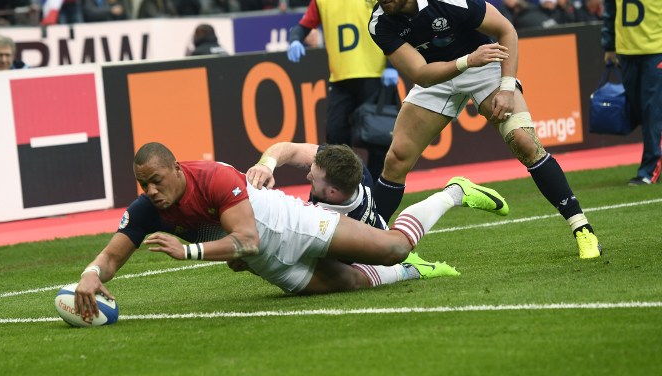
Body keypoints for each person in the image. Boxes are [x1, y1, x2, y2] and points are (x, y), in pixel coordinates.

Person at [72, 142, 509, 321]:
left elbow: (247, 239)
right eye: (142, 185)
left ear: (176, 168)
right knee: (353, 281)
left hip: (292, 225)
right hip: (270, 265)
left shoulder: (214, 178)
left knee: (393, 247)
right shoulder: (149, 208)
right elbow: (111, 256)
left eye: (156, 181)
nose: (150, 191)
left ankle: (454, 192)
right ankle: (419, 271)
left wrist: (189, 253)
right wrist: (90, 275)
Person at [365, 0, 603, 259]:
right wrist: (466, 61)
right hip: (441, 74)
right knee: (396, 158)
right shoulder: (380, 22)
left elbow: (506, 30)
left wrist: (506, 86)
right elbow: (421, 74)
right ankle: (369, 247)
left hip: (485, 66)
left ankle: (582, 229)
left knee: (525, 142)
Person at [245, 141, 460, 278]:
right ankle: (454, 193)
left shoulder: (331, 221)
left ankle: (409, 270)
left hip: (367, 255)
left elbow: (295, 250)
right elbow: (291, 149)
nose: (308, 176)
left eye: (314, 177)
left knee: (340, 278)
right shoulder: (353, 168)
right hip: (378, 229)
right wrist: (266, 164)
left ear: (332, 193)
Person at [287, 0, 397, 181]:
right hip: (340, 80)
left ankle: (378, 192)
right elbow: (303, 26)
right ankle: (351, 188)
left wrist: (392, 64)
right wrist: (295, 39)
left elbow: (397, 23)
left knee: (379, 140)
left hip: (375, 77)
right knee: (336, 139)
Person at [602, 0, 662, 186]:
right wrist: (609, 45)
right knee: (638, 111)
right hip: (626, 52)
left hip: (657, 51)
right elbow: (610, 8)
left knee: (653, 112)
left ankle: (648, 170)